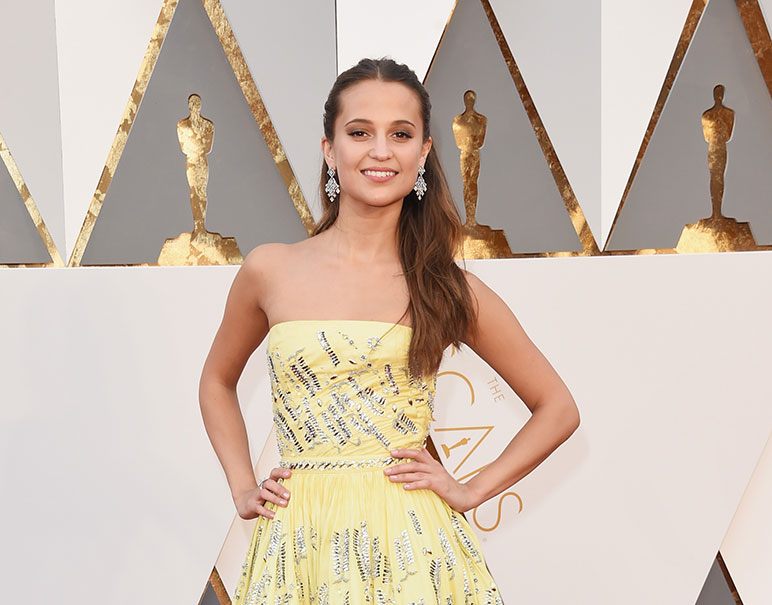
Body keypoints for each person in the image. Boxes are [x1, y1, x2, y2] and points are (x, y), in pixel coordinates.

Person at [198, 57, 580, 605]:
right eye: (360, 133)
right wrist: (241, 485)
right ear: (330, 149)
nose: (380, 151)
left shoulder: (447, 286)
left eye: (400, 134)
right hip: (299, 544)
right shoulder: (269, 269)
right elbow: (216, 380)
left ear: (423, 153)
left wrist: (469, 490)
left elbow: (558, 408)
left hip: (411, 547)